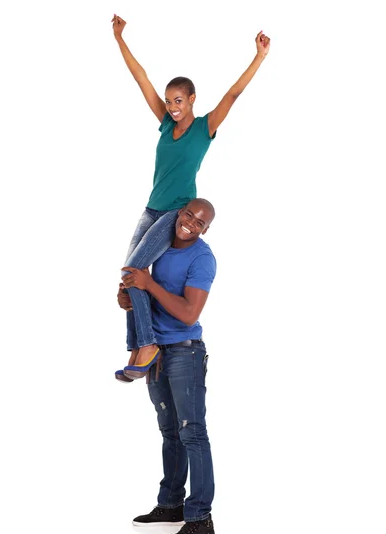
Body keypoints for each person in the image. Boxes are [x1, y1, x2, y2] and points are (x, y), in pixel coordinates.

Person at [112, 14, 270, 378]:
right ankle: (138, 346)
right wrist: (120, 38)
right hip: (151, 209)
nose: (172, 106)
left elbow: (233, 94)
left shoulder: (204, 129)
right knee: (127, 274)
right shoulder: (166, 123)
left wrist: (258, 58)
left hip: (174, 212)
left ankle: (147, 344)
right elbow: (141, 79)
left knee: (136, 271)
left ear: (192, 99)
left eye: (179, 100)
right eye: (169, 101)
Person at [117, 198, 217, 534]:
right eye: (188, 214)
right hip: (157, 350)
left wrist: (150, 286)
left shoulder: (202, 258)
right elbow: (144, 291)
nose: (191, 222)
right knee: (170, 433)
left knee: (192, 433)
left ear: (206, 229)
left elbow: (189, 313)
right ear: (179, 214)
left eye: (200, 221)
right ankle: (171, 504)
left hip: (185, 351)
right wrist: (131, 297)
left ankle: (201, 519)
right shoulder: (157, 248)